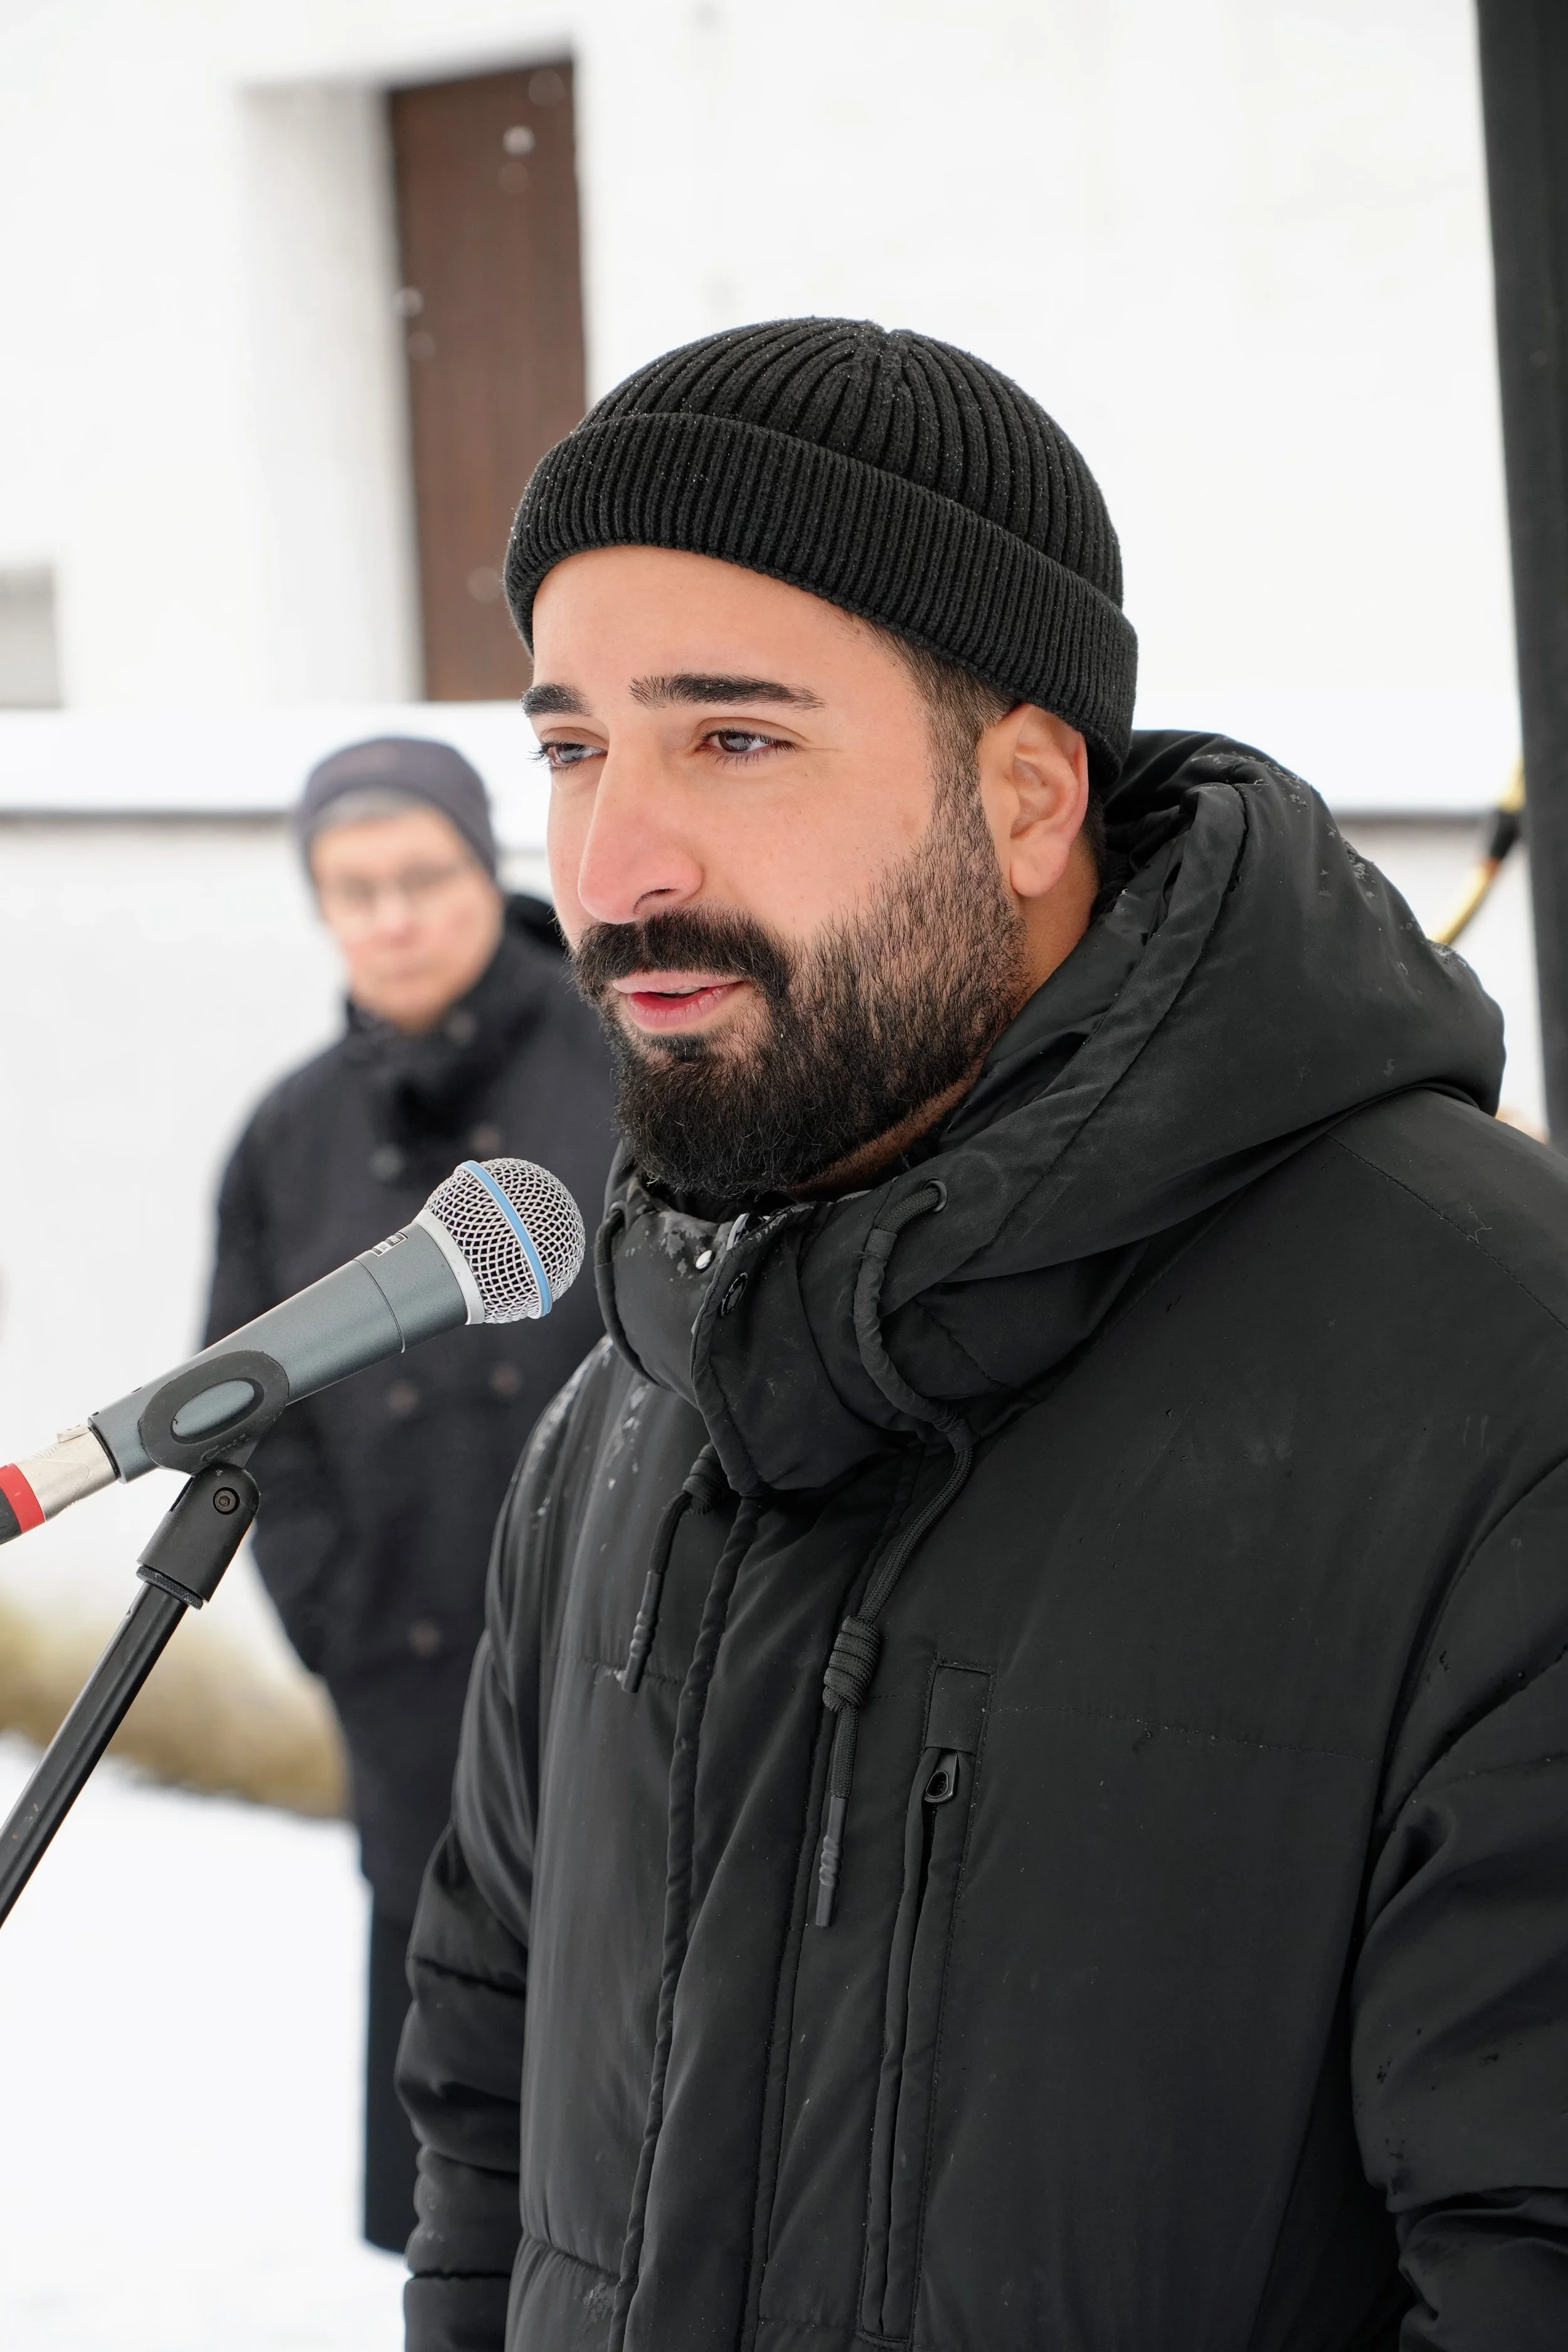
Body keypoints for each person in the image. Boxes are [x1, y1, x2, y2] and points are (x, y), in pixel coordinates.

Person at [398, 322, 1568, 2349]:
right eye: (573, 747)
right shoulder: (635, 1397)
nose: (611, 866)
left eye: (734, 739)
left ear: (1027, 795)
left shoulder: (1492, 1387)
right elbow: (490, 2118)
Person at [204, 736, 614, 2253]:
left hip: (619, 1672)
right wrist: (342, 1626)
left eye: (418, 878)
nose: (389, 917)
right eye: (350, 889)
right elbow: (248, 1415)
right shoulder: (288, 1134)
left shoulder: (620, 1062)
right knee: (465, 2166)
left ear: (480, 866)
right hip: (406, 1698)